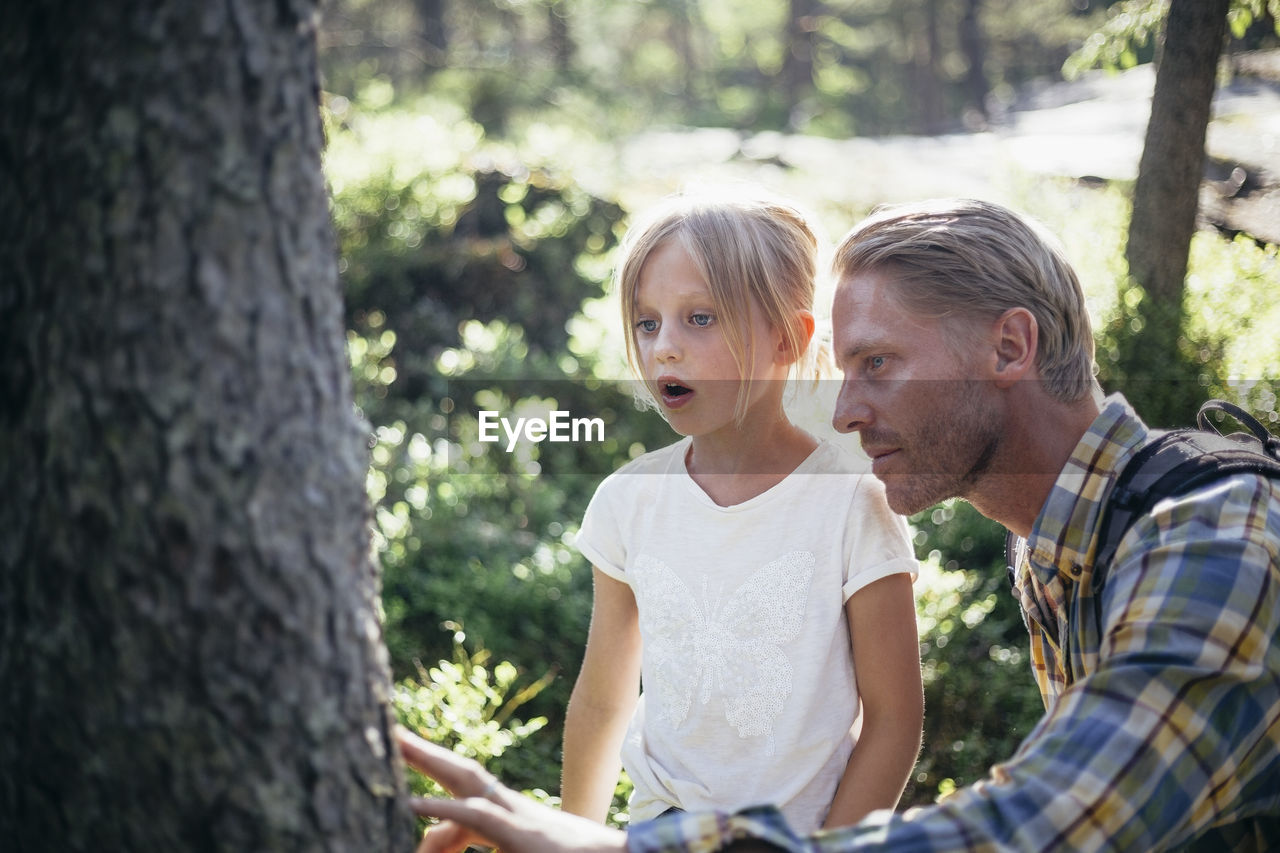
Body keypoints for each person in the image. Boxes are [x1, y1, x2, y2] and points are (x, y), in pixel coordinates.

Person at [400, 198, 1280, 852]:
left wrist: (606, 847)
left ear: (1010, 348)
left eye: (878, 365)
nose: (844, 409)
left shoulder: (1214, 541)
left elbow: (1038, 827)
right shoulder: (1062, 544)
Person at [560, 190, 923, 834]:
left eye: (700, 319)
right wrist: (567, 843)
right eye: (648, 323)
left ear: (789, 338)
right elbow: (601, 699)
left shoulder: (852, 504)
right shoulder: (628, 500)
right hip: (658, 832)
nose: (664, 348)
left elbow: (894, 722)